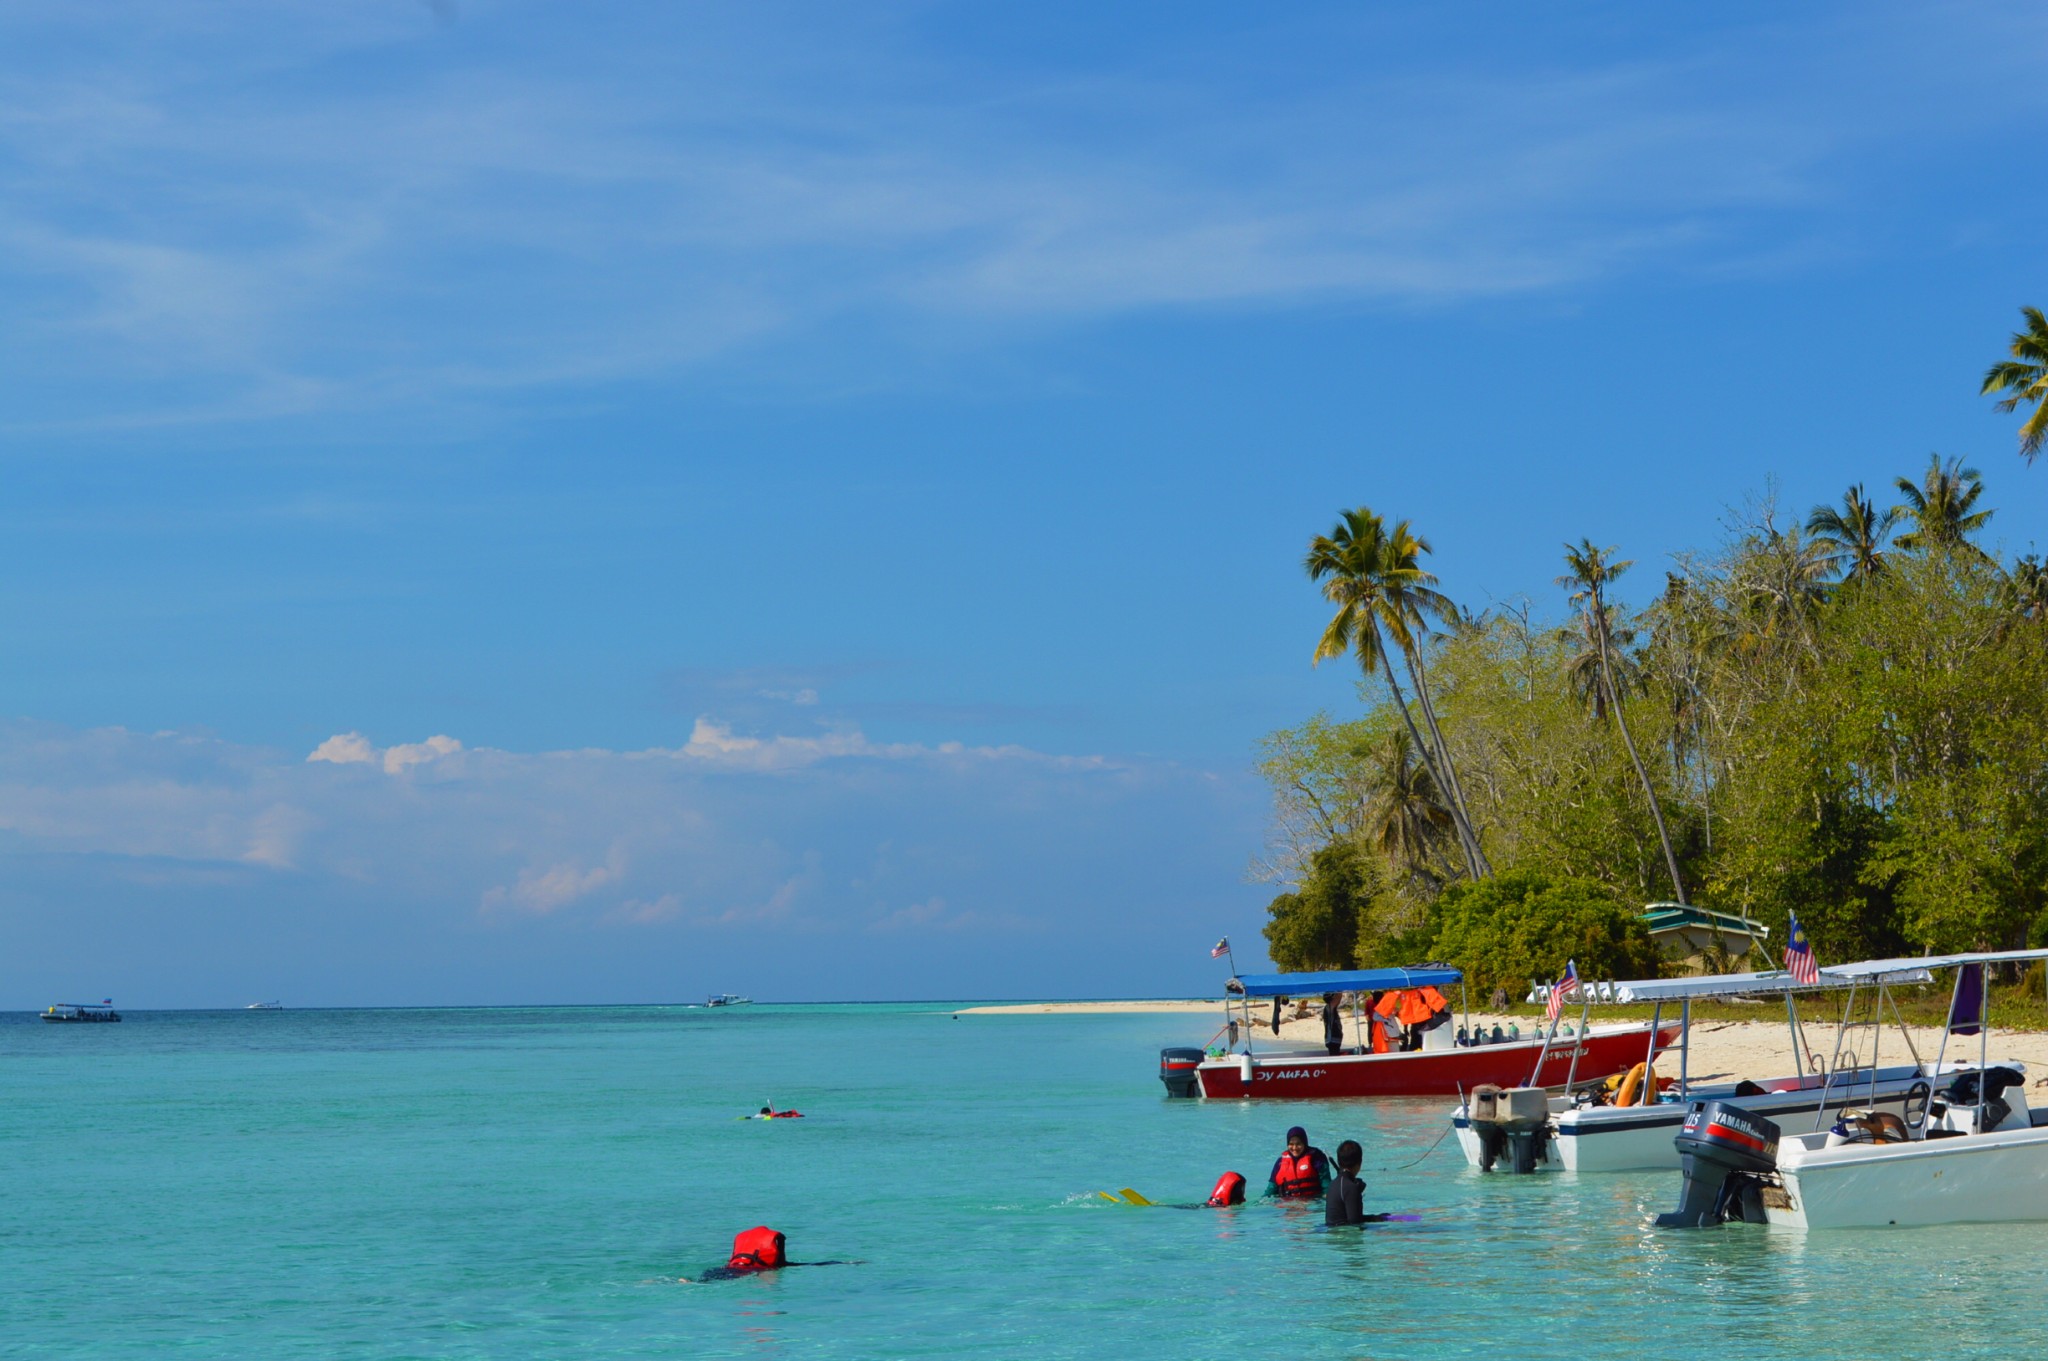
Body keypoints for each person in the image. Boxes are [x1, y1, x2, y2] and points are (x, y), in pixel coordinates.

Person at [1266, 1126, 1330, 1199]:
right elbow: (1271, 1187)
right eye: (1291, 1144)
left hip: (1312, 1202)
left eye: (1298, 1144)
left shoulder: (1317, 1158)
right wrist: (1265, 1199)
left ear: (1304, 1143)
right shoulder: (1280, 1162)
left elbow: (1326, 1184)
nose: (1294, 1148)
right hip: (1288, 1204)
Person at [1325, 1140, 1366, 1226]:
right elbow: (1356, 1224)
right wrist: (1358, 1195)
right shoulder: (1351, 1187)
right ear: (1360, 1163)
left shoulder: (1332, 1184)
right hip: (1345, 1237)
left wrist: (1377, 1217)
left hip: (1333, 1234)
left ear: (1339, 1161)